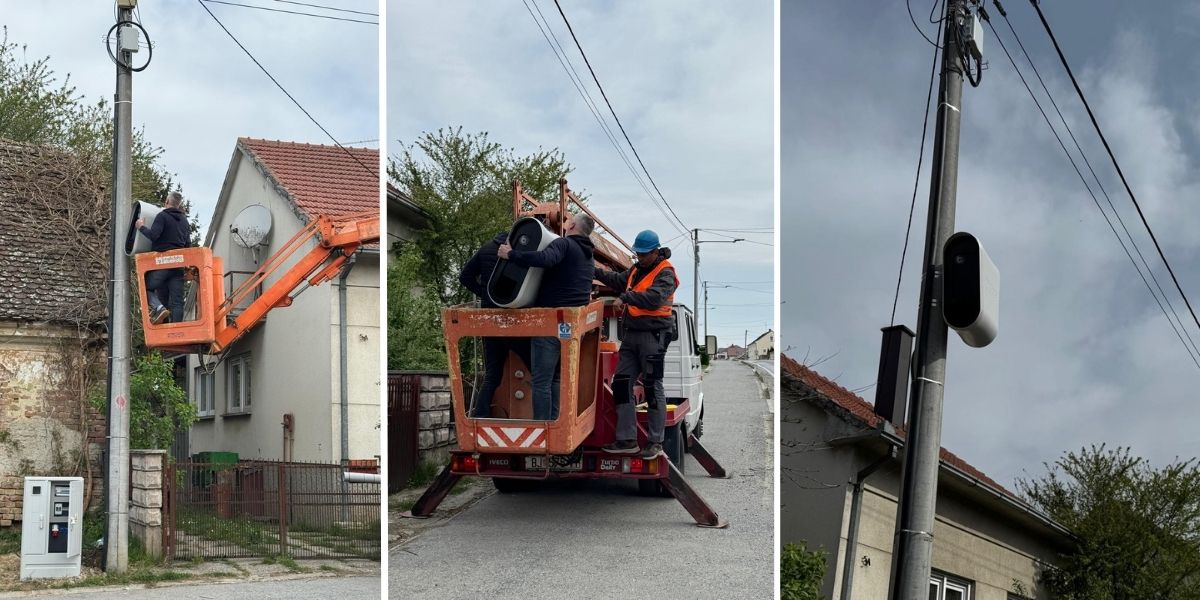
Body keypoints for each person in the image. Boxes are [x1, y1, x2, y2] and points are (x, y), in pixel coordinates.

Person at [498, 213, 596, 420]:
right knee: (556, 378)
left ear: (571, 225)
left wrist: (511, 254)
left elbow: (545, 259)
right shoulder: (588, 256)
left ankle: (543, 428)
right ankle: (554, 425)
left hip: (551, 322)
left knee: (541, 381)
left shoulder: (564, 244)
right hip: (571, 326)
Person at [592, 229, 678, 459]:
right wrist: (593, 270)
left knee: (652, 385)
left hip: (654, 335)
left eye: (643, 254)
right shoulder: (636, 270)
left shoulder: (666, 272)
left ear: (655, 251)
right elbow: (617, 280)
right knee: (621, 384)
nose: (640, 258)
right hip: (632, 335)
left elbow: (654, 299)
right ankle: (627, 439)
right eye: (637, 254)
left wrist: (626, 297)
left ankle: (655, 442)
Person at [460, 231, 529, 418]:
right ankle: (543, 416)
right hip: (511, 319)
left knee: (492, 374)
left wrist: (485, 294)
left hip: (489, 319)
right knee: (537, 369)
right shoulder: (516, 252)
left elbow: (465, 277)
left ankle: (480, 416)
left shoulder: (485, 249)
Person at [135, 192, 190, 324]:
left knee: (145, 288)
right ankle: (177, 330)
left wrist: (141, 227)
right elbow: (188, 245)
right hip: (178, 266)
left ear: (167, 201)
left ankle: (159, 308)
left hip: (162, 264)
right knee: (177, 302)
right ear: (178, 205)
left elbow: (154, 236)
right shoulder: (184, 221)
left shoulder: (162, 216)